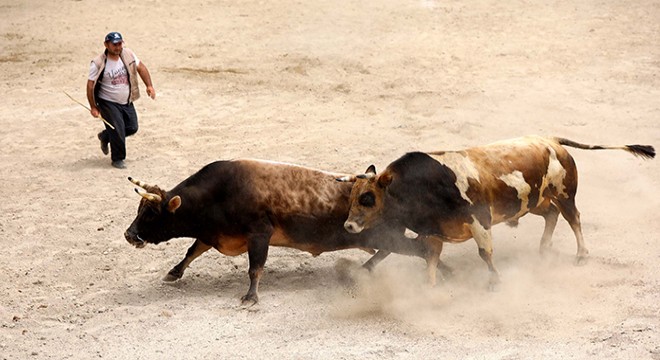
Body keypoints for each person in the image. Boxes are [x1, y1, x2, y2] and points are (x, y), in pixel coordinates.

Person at [86, 32, 156, 169]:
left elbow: (141, 68)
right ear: (106, 45)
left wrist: (149, 85)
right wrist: (93, 106)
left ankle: (105, 136)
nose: (118, 47)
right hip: (108, 102)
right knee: (118, 130)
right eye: (114, 44)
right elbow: (90, 85)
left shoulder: (128, 54)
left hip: (127, 100)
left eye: (120, 44)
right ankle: (117, 159)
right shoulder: (98, 63)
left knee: (132, 127)